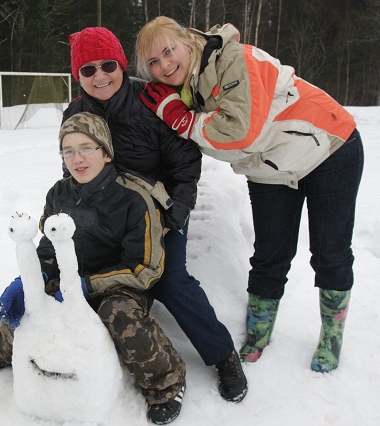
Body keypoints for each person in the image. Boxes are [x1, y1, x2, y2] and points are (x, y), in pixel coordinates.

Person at [135, 16, 364, 373]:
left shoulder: (233, 59)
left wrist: (183, 119)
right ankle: (259, 331)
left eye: (169, 51)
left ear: (187, 41)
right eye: (153, 61)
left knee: (330, 252)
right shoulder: (183, 91)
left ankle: (331, 336)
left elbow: (241, 133)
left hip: (329, 147)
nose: (164, 65)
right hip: (270, 166)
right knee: (270, 254)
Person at [64, 27, 247, 402]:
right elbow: (73, 169)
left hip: (160, 208)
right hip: (108, 213)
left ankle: (223, 355)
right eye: (88, 69)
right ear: (77, 75)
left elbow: (185, 169)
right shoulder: (75, 112)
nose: (100, 76)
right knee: (79, 272)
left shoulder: (153, 100)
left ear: (122, 65)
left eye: (108, 65)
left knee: (169, 279)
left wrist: (172, 219)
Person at [0, 112, 187, 424]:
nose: (77, 158)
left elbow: (145, 269)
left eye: (87, 148)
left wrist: (87, 285)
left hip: (118, 285)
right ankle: (0, 352)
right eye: (68, 151)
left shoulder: (135, 199)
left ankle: (165, 383)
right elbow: (48, 247)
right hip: (67, 279)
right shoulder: (58, 193)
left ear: (106, 152)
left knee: (119, 316)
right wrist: (36, 276)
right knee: (29, 300)